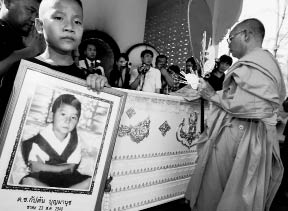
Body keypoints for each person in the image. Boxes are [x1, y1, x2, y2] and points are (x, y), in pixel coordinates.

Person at [185, 18, 286, 211]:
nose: (229, 46)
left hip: (243, 137)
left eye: (231, 39)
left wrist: (214, 96)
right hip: (239, 132)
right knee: (220, 189)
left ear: (246, 35)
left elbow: (258, 105)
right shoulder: (253, 64)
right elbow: (238, 96)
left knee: (228, 194)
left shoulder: (260, 63)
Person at [29, 0, 108, 92]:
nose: (70, 27)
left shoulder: (89, 81)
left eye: (77, 22)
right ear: (40, 25)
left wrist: (105, 90)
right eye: (59, 18)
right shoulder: (21, 70)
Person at [20, 94, 91, 189]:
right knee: (28, 182)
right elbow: (35, 168)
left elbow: (72, 168)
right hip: (43, 179)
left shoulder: (75, 141)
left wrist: (46, 167)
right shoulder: (38, 141)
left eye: (73, 117)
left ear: (77, 121)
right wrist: (64, 167)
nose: (68, 120)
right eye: (63, 114)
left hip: (68, 180)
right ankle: (59, 197)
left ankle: (64, 198)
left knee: (91, 182)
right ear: (51, 115)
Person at [0, 0, 45, 121]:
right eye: (30, 11)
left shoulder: (23, 38)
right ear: (8, 3)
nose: (34, 19)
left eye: (37, 15)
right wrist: (29, 51)